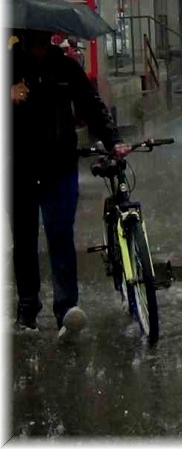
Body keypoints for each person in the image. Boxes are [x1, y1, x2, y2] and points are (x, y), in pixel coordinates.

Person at [10, 29, 126, 340]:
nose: (36, 48)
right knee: (24, 240)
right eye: (30, 42)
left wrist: (112, 140)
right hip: (18, 169)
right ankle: (27, 309)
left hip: (58, 166)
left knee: (60, 235)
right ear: (20, 40)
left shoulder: (65, 68)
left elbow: (91, 104)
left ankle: (66, 309)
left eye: (41, 41)